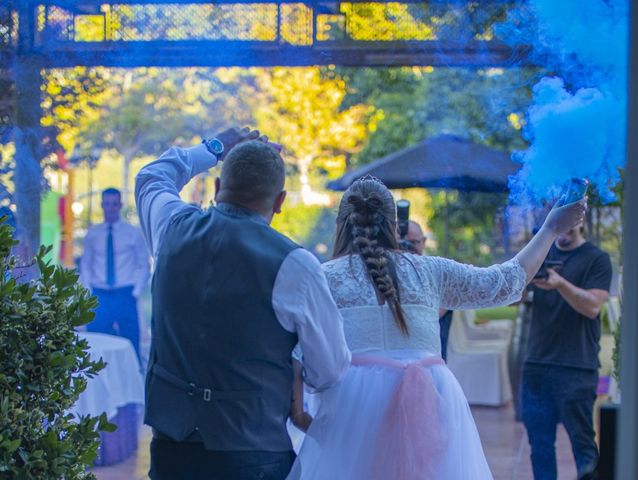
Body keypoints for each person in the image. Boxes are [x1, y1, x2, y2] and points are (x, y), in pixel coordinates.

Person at [287, 176, 585, 480]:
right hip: (429, 405)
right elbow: (503, 282)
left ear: (342, 224)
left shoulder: (322, 277)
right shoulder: (430, 270)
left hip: (351, 411)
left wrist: (308, 421)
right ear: (394, 225)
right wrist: (549, 229)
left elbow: (297, 352)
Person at [134, 127, 351, 480]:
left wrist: (215, 147)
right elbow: (330, 369)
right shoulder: (296, 263)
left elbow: (151, 176)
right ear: (280, 203)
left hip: (173, 447)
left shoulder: (170, 226)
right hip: (254, 450)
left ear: (218, 189)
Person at [522, 222, 611, 480]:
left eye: (568, 224)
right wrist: (524, 274)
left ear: (580, 221)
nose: (563, 230)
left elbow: (593, 307)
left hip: (576, 367)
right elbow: (515, 299)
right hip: (536, 365)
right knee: (539, 447)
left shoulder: (597, 259)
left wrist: (559, 283)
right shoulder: (540, 254)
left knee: (583, 445)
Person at [80, 188, 149, 358]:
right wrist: (88, 289)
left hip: (125, 293)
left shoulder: (132, 234)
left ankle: (132, 378)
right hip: (99, 294)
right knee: (96, 342)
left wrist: (136, 291)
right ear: (102, 205)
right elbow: (86, 263)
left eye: (114, 204)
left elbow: (143, 264)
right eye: (107, 204)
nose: (111, 208)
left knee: (130, 342)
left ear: (120, 205)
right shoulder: (93, 234)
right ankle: (99, 380)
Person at [404, 219, 453, 361]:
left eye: (413, 242)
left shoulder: (434, 272)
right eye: (403, 242)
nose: (408, 247)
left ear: (423, 241)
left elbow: (441, 309)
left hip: (429, 353)